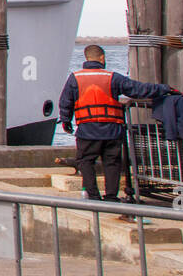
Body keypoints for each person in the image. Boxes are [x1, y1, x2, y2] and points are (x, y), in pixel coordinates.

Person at [58, 44, 174, 202]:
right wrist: (163, 89)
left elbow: (65, 102)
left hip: (88, 129)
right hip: (112, 129)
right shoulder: (112, 77)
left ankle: (92, 195)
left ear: (86, 58)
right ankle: (111, 196)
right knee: (112, 162)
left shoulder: (75, 78)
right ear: (102, 58)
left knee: (86, 161)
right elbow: (138, 89)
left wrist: (66, 121)